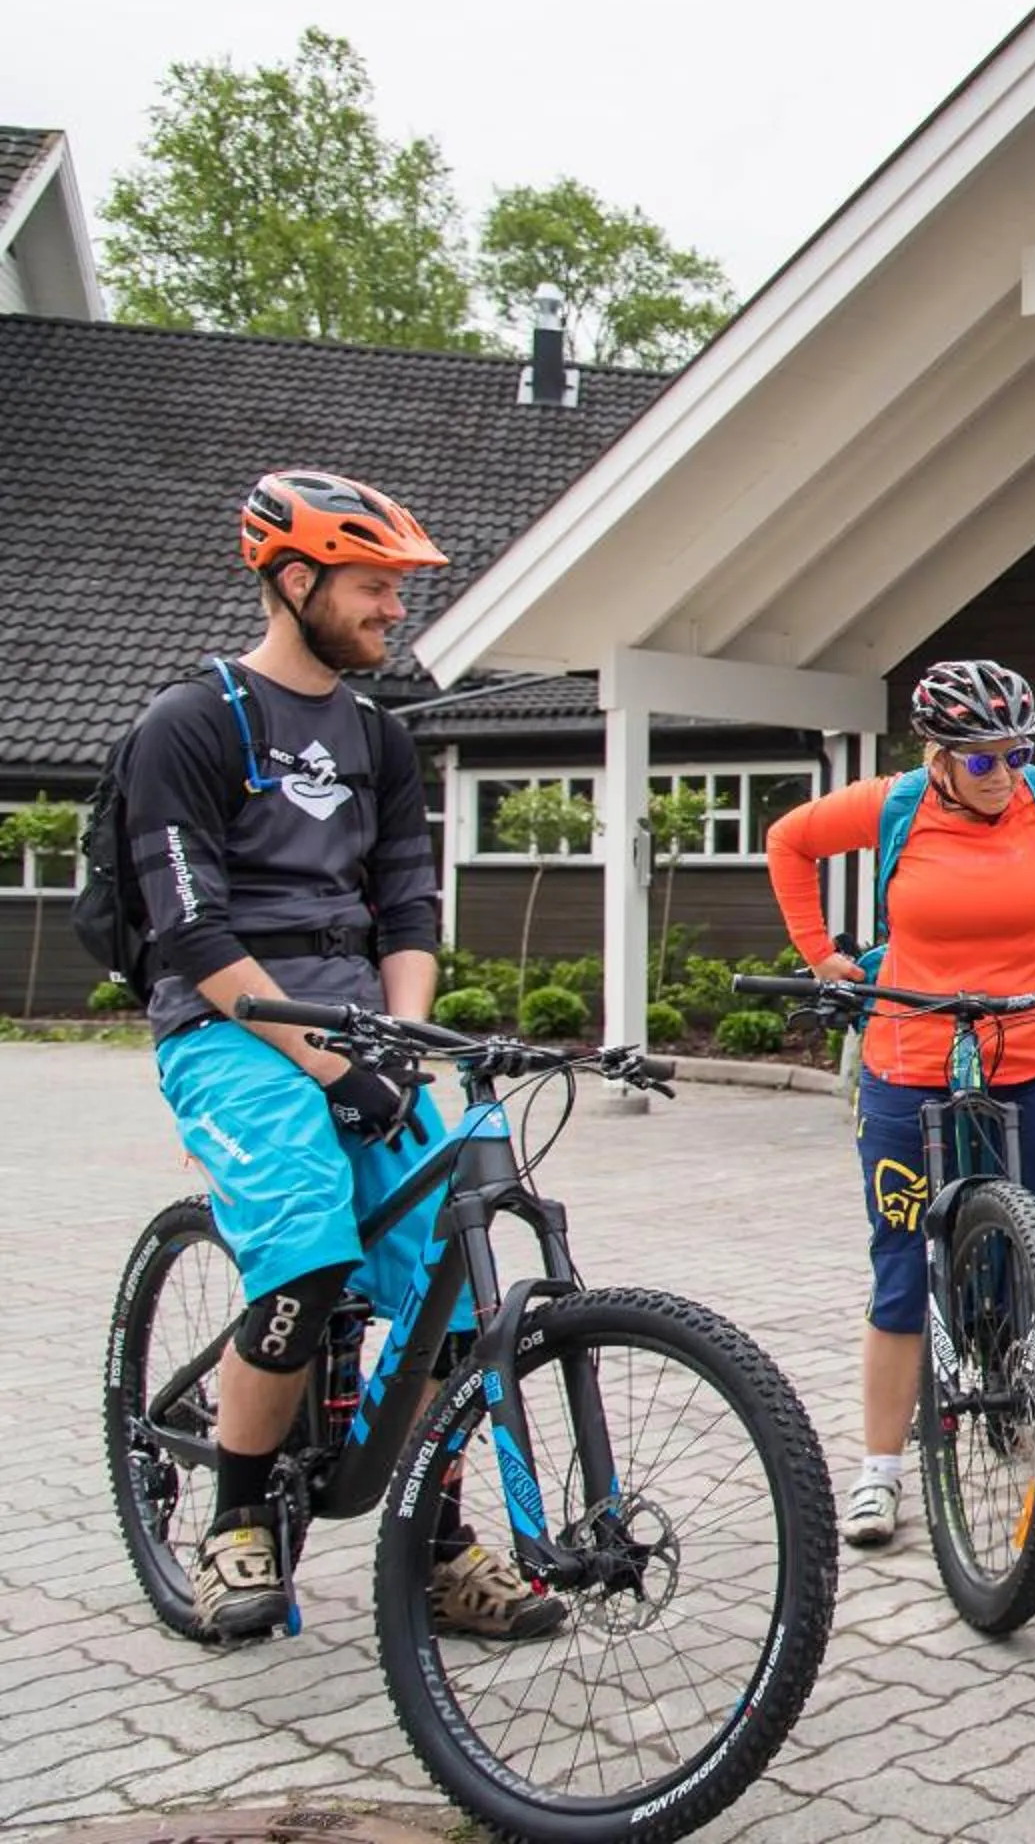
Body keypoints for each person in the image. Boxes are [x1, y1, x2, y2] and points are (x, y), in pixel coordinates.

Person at [146, 471, 561, 1642]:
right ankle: (235, 1523)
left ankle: (433, 1539)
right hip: (229, 1027)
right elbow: (189, 929)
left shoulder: (378, 736)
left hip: (356, 1032)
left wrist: (397, 1039)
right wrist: (327, 1060)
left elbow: (407, 905)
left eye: (395, 588)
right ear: (293, 580)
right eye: (374, 585)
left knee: (444, 1268)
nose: (394, 608)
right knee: (306, 1247)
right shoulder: (191, 721)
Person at [765, 659, 1035, 1544]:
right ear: (936, 754)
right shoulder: (894, 804)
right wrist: (822, 955)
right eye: (981, 760)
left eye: (1016, 751)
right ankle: (881, 1468)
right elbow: (789, 841)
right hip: (911, 1051)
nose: (1003, 772)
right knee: (901, 1269)